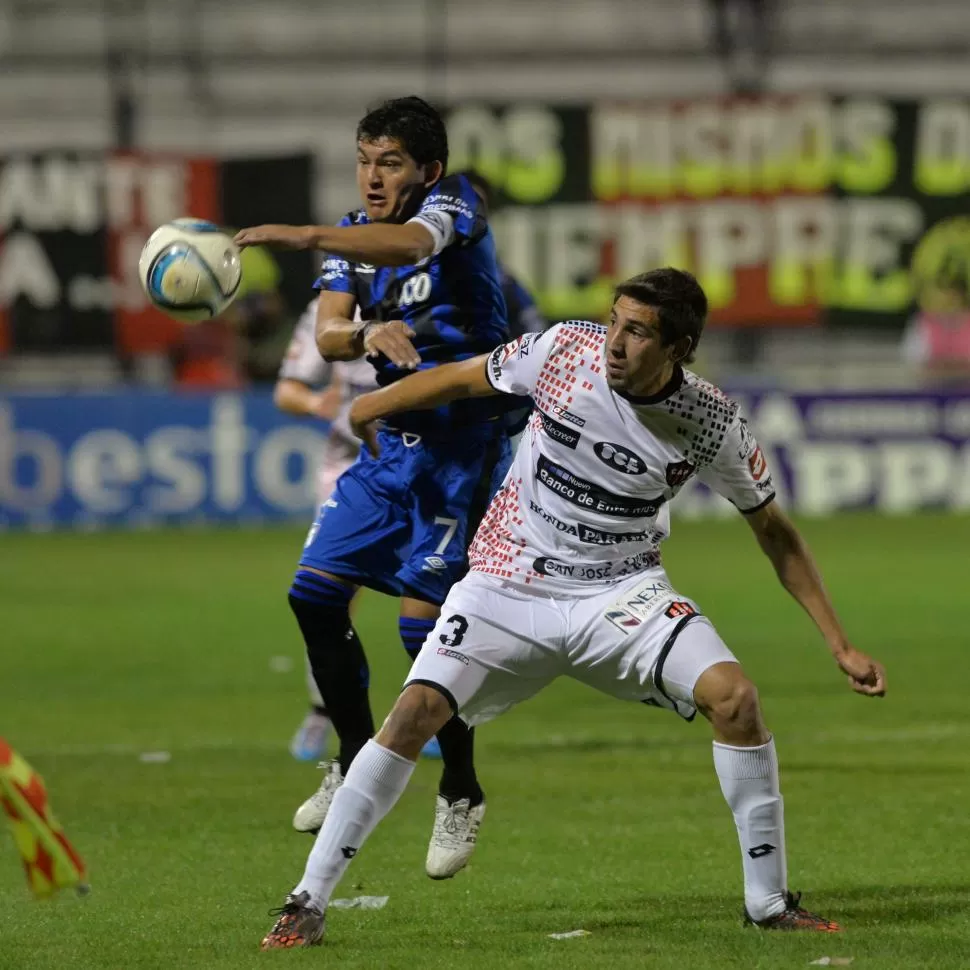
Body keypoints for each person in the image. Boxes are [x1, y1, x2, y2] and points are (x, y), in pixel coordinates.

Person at [259, 267, 887, 949]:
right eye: (615, 320)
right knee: (414, 713)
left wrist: (839, 643)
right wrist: (372, 406)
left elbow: (775, 532)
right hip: (505, 583)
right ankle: (305, 903)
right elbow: (465, 378)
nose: (615, 342)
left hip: (620, 596)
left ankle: (768, 903)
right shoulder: (564, 351)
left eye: (638, 331)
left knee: (736, 700)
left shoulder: (710, 421)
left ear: (678, 347)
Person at [235, 96, 514, 879]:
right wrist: (363, 332)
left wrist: (306, 233)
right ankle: (354, 758)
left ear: (426, 169)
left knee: (423, 633)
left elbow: (413, 241)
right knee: (312, 595)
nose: (372, 176)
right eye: (363, 161)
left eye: (389, 163)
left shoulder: (455, 204)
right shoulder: (352, 237)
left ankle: (459, 785)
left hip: (467, 447)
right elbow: (327, 335)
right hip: (393, 449)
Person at [275, 299, 443, 765]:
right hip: (348, 462)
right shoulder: (327, 309)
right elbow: (286, 390)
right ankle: (320, 712)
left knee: (428, 592)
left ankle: (430, 711)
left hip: (421, 461)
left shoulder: (432, 292)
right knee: (326, 595)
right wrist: (315, 401)